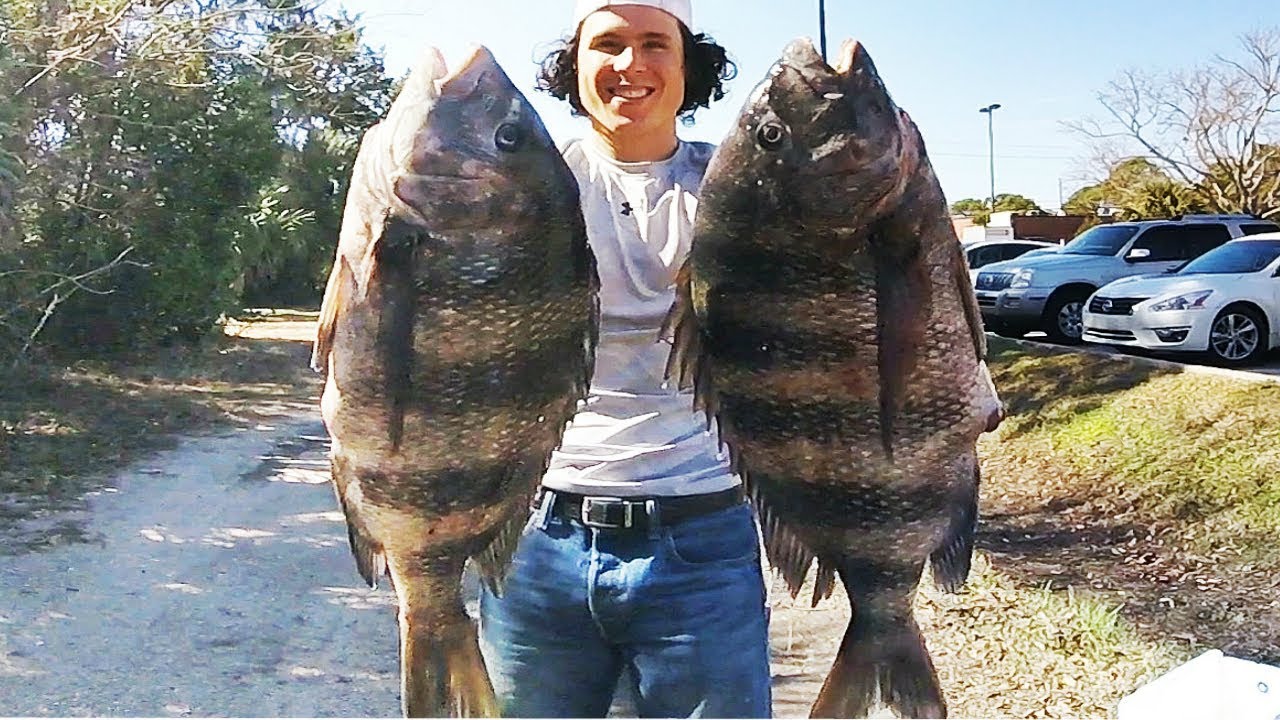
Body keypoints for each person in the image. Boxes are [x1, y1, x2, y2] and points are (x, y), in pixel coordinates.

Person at [476, 1, 773, 717]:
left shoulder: (751, 191)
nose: (629, 66)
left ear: (688, 63)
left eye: (654, 44)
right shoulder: (514, 187)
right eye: (606, 44)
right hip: (536, 536)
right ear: (572, 64)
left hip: (705, 535)